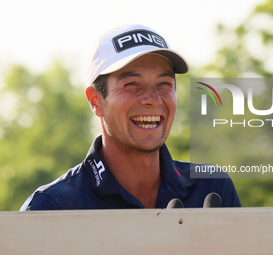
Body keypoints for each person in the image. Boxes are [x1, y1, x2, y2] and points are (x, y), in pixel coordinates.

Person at [20, 23, 241, 210]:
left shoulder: (213, 186)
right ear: (96, 101)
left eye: (164, 84)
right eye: (132, 84)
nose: (153, 99)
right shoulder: (53, 206)